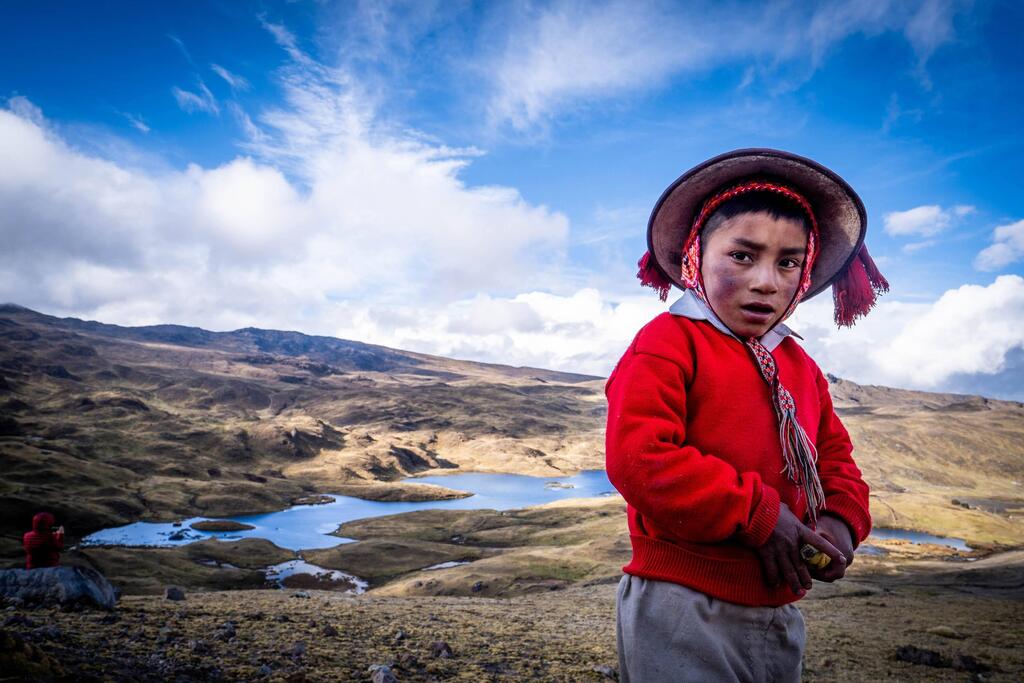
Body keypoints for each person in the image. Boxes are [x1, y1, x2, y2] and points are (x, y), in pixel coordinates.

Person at [606, 149, 885, 682]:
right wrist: (762, 516)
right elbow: (640, 458)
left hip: (778, 612)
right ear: (695, 255)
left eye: (787, 262)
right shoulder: (667, 342)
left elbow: (836, 460)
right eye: (742, 256)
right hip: (682, 607)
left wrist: (841, 523)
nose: (766, 281)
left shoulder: (800, 365)